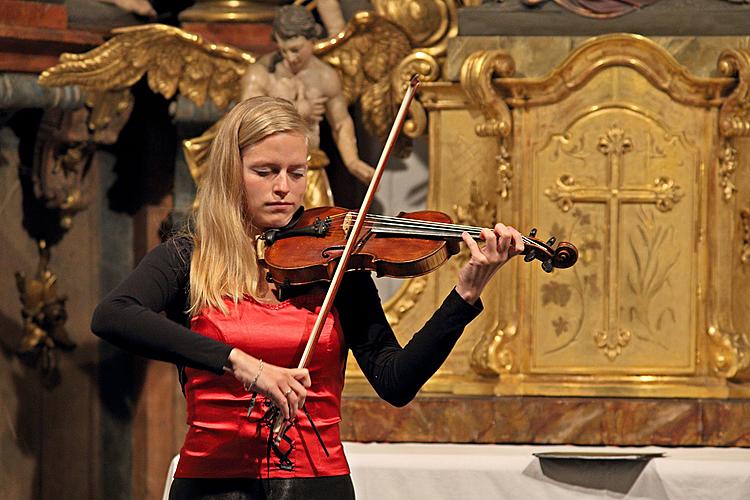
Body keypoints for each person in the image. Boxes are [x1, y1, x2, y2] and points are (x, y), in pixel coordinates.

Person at [91, 96, 524, 499]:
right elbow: (113, 315)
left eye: (296, 173)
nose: (284, 187)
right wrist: (240, 362)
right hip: (212, 486)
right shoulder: (189, 255)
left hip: (317, 485)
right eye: (265, 171)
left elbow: (396, 382)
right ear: (230, 171)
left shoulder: (337, 260)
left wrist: (467, 291)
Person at [242, 5, 375, 186]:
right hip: (267, 169)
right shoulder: (261, 73)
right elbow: (245, 122)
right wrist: (296, 111)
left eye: (295, 49)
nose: (289, 57)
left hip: (308, 166)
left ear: (312, 40)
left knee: (319, 213)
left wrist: (352, 161)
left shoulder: (325, 76)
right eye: (283, 50)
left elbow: (341, 122)